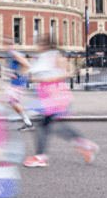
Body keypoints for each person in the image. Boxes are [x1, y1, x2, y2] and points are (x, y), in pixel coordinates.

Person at [22, 36, 98, 167]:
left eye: (39, 43)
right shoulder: (42, 57)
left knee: (44, 125)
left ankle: (41, 157)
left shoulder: (55, 56)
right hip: (46, 97)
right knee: (49, 125)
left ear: (46, 45)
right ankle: (84, 144)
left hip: (54, 96)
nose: (37, 46)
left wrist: (41, 79)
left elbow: (66, 74)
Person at [1, 37, 34, 131]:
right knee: (10, 101)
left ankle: (28, 120)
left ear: (7, 45)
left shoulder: (14, 53)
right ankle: (27, 121)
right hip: (15, 82)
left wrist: (16, 74)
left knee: (11, 101)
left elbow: (27, 65)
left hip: (18, 83)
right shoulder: (10, 54)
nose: (3, 46)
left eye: (4, 44)